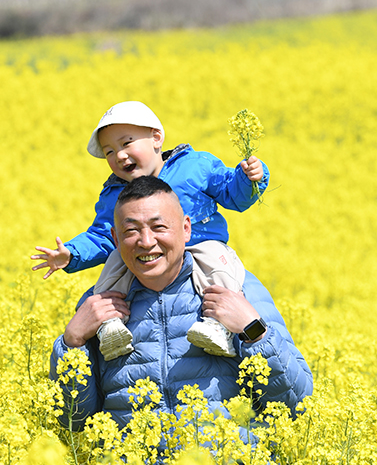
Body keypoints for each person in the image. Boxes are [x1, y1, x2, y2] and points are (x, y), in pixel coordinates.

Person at [49, 176, 313, 433]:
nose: (146, 242)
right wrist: (72, 344)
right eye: (131, 231)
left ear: (186, 229)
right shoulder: (99, 305)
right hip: (130, 464)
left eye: (159, 227)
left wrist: (254, 331)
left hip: (229, 462)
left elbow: (297, 405)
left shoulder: (235, 286)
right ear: (116, 240)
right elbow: (72, 423)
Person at [32, 100, 268, 359]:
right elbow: (102, 236)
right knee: (114, 264)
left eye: (126, 143)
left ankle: (217, 327)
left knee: (220, 267)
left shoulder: (194, 166)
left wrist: (249, 177)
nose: (119, 155)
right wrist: (72, 254)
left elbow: (232, 194)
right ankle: (110, 327)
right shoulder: (114, 194)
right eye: (109, 152)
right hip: (146, 261)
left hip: (202, 247)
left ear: (156, 138)